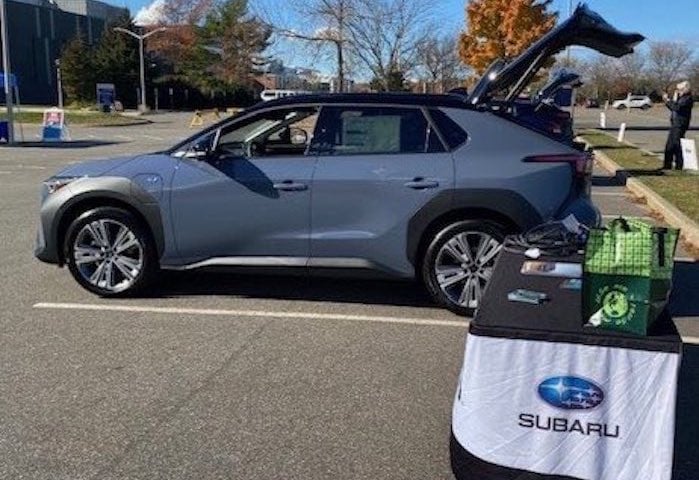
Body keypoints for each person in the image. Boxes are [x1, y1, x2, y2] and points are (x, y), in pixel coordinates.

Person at [663, 81, 694, 170]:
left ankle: (679, 165)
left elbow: (676, 107)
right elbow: (673, 107)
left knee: (676, 145)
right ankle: (667, 165)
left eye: (680, 90)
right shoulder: (681, 98)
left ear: (685, 89)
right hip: (675, 123)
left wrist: (668, 101)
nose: (678, 91)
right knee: (670, 145)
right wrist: (669, 100)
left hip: (680, 124)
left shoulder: (687, 98)